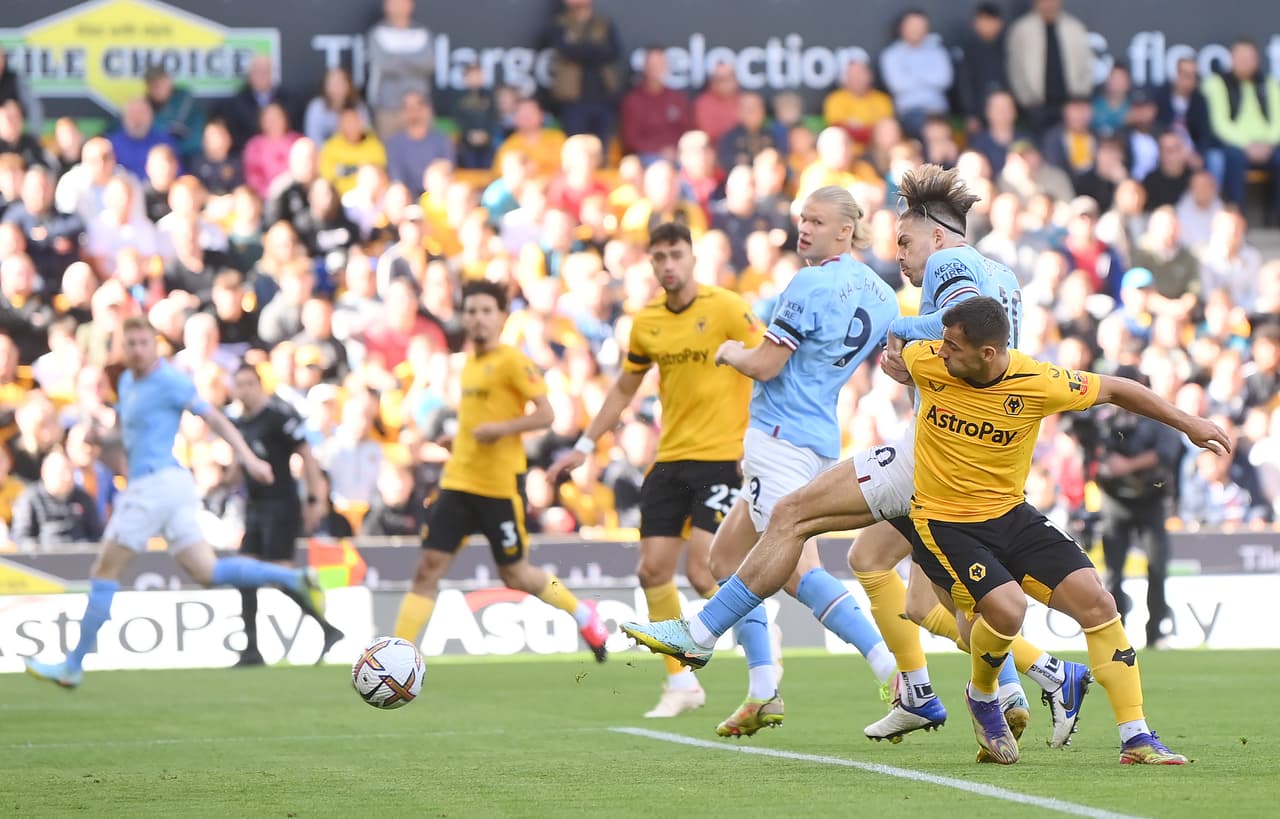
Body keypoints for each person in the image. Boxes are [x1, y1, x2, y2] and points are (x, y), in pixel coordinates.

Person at [621, 166, 1083, 753]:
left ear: (935, 236)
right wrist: (903, 350)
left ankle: (707, 638)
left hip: (911, 444)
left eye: (907, 242)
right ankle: (1005, 687)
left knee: (792, 524)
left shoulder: (941, 268)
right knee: (912, 588)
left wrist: (901, 338)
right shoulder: (985, 278)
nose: (903, 257)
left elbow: (952, 324)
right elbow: (979, 341)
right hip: (975, 448)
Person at [889, 296, 1224, 764]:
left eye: (952, 346)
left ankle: (1136, 736)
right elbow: (897, 343)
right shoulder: (929, 360)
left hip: (1011, 513)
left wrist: (1187, 422)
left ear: (988, 353)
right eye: (941, 343)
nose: (941, 353)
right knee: (1007, 612)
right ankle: (983, 696)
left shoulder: (1038, 381)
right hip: (945, 521)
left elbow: (1118, 389)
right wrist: (893, 356)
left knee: (1098, 602)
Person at [25, 317, 326, 688]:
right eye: (129, 343)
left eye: (142, 343)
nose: (136, 349)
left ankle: (72, 666)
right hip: (169, 487)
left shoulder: (170, 381)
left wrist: (247, 458)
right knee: (207, 572)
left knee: (105, 571)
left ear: (154, 346)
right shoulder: (126, 382)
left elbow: (213, 417)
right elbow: (135, 433)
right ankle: (294, 578)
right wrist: (104, 436)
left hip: (154, 487)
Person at [699, 186, 901, 737]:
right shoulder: (882, 295)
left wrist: (728, 352)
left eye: (817, 221)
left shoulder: (809, 283)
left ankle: (895, 671)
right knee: (725, 559)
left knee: (794, 569)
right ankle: (763, 689)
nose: (804, 229)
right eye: (801, 219)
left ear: (846, 230)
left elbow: (765, 365)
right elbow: (894, 365)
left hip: (781, 435)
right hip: (816, 437)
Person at [548, 222, 757, 718]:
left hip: (723, 457)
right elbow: (624, 388)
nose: (668, 265)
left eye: (675, 254)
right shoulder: (647, 322)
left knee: (705, 570)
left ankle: (764, 667)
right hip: (670, 460)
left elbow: (771, 360)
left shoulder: (726, 307)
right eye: (659, 257)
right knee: (651, 571)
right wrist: (584, 443)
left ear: (692, 257)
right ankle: (682, 684)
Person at [392, 280, 610, 663]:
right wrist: (457, 439)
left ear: (501, 318)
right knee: (427, 568)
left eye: (485, 311)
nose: (477, 319)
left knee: (516, 575)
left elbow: (547, 414)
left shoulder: (512, 361)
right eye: (471, 311)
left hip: (498, 487)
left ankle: (582, 613)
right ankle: (396, 655)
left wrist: (500, 430)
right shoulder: (470, 364)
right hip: (459, 481)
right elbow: (478, 420)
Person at [228, 363, 345, 667]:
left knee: (279, 576)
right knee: (245, 576)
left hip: (281, 505)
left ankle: (327, 628)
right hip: (255, 507)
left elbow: (306, 454)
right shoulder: (238, 422)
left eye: (249, 383)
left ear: (260, 385)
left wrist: (314, 498)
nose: (244, 390)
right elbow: (239, 465)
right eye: (239, 384)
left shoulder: (279, 417)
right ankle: (251, 649)